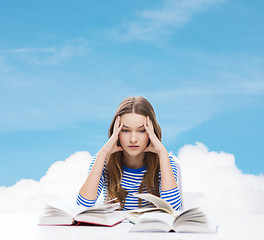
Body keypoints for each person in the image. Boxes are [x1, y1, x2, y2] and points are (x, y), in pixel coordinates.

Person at [76, 96, 182, 211]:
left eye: (142, 130)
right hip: (113, 228)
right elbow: (81, 207)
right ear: (116, 132)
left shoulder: (165, 161)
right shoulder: (103, 160)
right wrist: (103, 153)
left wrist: (162, 152)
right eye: (125, 130)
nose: (133, 139)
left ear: (152, 132)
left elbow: (173, 210)